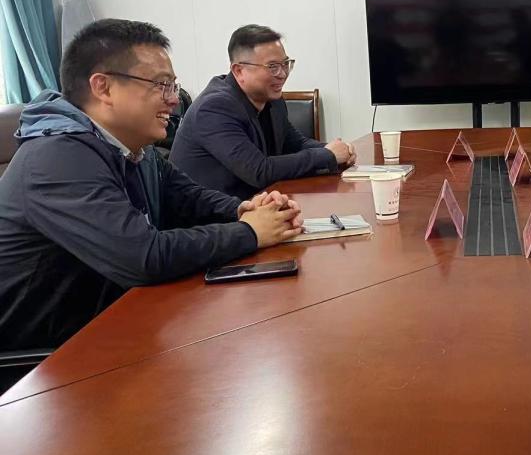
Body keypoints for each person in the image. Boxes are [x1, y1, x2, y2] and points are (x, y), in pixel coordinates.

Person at [0, 19, 304, 353]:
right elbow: (143, 256)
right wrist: (249, 232)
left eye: (173, 85)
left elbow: (186, 197)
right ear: (103, 88)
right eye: (160, 85)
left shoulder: (131, 148)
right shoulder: (56, 158)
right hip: (42, 359)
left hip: (114, 322)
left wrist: (243, 209)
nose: (173, 100)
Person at [171, 24, 356, 198]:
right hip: (209, 215)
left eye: (286, 64)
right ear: (239, 71)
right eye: (273, 67)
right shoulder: (214, 108)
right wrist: (327, 156)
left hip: (254, 203)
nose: (283, 74)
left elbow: (295, 143)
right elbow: (259, 171)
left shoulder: (272, 99)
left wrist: (336, 150)